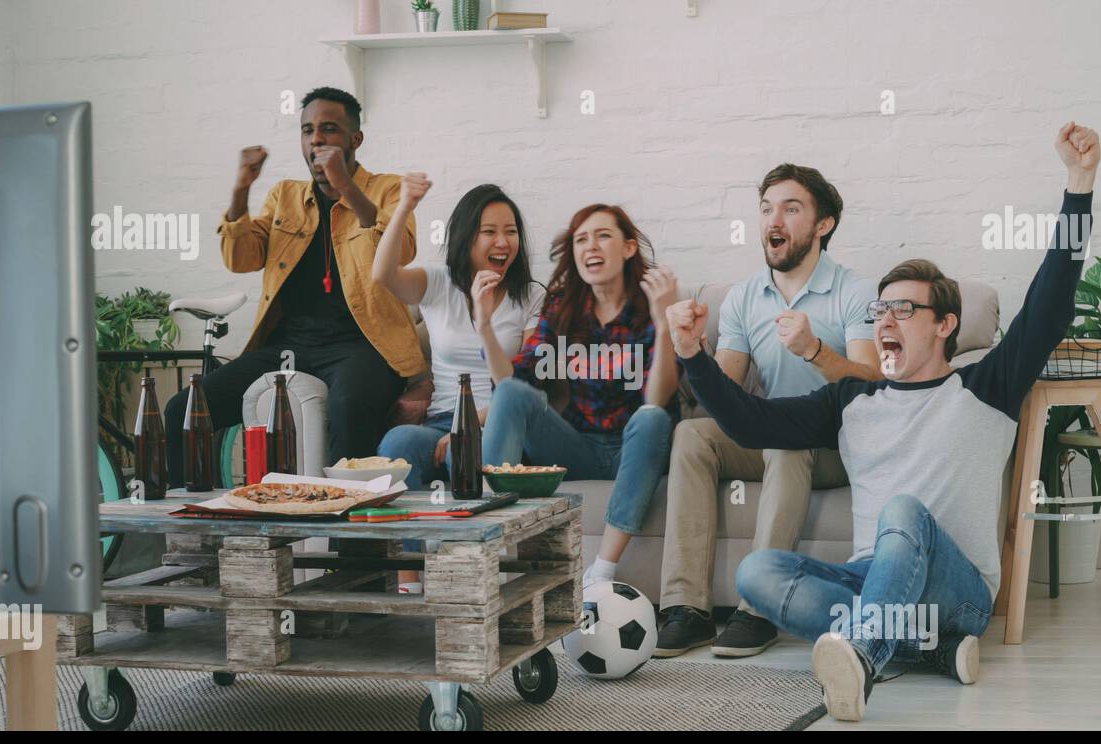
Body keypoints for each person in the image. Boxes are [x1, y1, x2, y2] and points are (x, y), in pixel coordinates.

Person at [667, 122, 1101, 721]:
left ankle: (867, 658)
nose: (887, 321)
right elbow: (749, 424)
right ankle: (924, 653)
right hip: (873, 582)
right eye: (881, 309)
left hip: (960, 591)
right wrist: (691, 355)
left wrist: (1079, 185)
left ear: (945, 324)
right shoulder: (852, 400)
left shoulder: (984, 386)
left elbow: (1051, 302)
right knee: (756, 571)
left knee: (902, 510)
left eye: (905, 308)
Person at [654, 164, 880, 659]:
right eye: (765, 208)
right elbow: (727, 392)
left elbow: (871, 383)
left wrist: (814, 349)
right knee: (692, 435)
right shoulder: (742, 297)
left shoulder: (855, 292)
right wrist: (690, 349)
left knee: (786, 440)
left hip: (832, 446)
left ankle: (759, 609)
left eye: (791, 208)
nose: (773, 219)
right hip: (770, 431)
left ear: (824, 225)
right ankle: (685, 610)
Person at [165, 87, 423, 481]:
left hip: (364, 346)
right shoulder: (285, 196)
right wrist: (240, 189)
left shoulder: (387, 189)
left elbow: (400, 249)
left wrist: (346, 187)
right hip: (288, 345)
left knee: (349, 407)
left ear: (355, 140)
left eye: (329, 129)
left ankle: (355, 539)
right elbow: (241, 258)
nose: (316, 139)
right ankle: (194, 529)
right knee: (184, 410)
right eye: (307, 130)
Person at [482, 205, 681, 587]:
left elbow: (659, 397)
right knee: (508, 392)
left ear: (627, 248)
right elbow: (514, 381)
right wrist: (485, 325)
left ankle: (602, 571)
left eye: (603, 235)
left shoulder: (652, 306)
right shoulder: (561, 307)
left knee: (653, 416)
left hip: (635, 449)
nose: (591, 246)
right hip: (576, 449)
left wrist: (664, 323)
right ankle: (492, 540)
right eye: (581, 239)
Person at [373, 174, 542, 592]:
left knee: (463, 455)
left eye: (511, 232)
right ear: (466, 238)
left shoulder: (531, 298)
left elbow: (518, 386)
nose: (503, 242)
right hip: (440, 421)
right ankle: (409, 581)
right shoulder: (437, 284)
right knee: (396, 446)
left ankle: (464, 580)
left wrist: (469, 427)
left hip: (497, 423)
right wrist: (404, 207)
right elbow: (382, 275)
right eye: (490, 232)